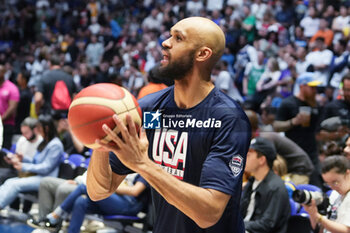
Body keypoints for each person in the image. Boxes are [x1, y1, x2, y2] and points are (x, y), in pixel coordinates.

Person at [87, 17, 251, 233]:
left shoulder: (227, 119)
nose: (165, 42)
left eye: (178, 38)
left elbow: (209, 213)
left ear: (202, 54)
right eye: (169, 35)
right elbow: (99, 191)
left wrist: (142, 164)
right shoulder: (150, 111)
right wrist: (101, 141)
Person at [31, 174, 150, 233]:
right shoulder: (123, 162)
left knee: (86, 187)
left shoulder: (144, 167)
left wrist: (109, 187)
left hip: (130, 205)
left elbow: (135, 191)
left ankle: (55, 216)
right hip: (115, 200)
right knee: (81, 201)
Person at [0, 114, 63, 210]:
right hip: (37, 176)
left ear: (46, 128)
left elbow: (46, 168)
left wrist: (23, 166)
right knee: (9, 181)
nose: (36, 131)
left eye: (38, 128)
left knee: (14, 184)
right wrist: (23, 158)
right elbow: (36, 161)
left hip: (46, 179)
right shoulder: (45, 142)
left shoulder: (56, 145)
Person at [273, 73, 323, 187]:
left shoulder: (315, 104)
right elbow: (276, 126)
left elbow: (317, 129)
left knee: (316, 182)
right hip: (293, 151)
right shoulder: (288, 103)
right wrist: (293, 122)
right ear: (302, 86)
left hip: (312, 150)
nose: (315, 90)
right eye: (312, 87)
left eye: (315, 87)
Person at [245, 110, 314, 185]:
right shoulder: (257, 137)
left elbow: (274, 165)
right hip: (288, 169)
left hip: (299, 169)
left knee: (288, 192)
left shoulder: (265, 138)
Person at [240, 137, 290, 233]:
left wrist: (238, 225)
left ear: (262, 160)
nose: (244, 157)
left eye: (249, 155)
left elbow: (267, 224)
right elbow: (239, 212)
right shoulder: (251, 182)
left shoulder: (276, 187)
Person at [303, 155, 350, 233]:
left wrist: (319, 218)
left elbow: (346, 230)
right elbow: (319, 229)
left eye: (335, 182)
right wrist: (312, 213)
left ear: (348, 173)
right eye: (328, 184)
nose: (332, 188)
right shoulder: (334, 195)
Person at [0, 64, 20, 149]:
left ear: (4, 73)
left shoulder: (12, 88)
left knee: (3, 151)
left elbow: (12, 108)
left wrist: (1, 119)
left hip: (6, 124)